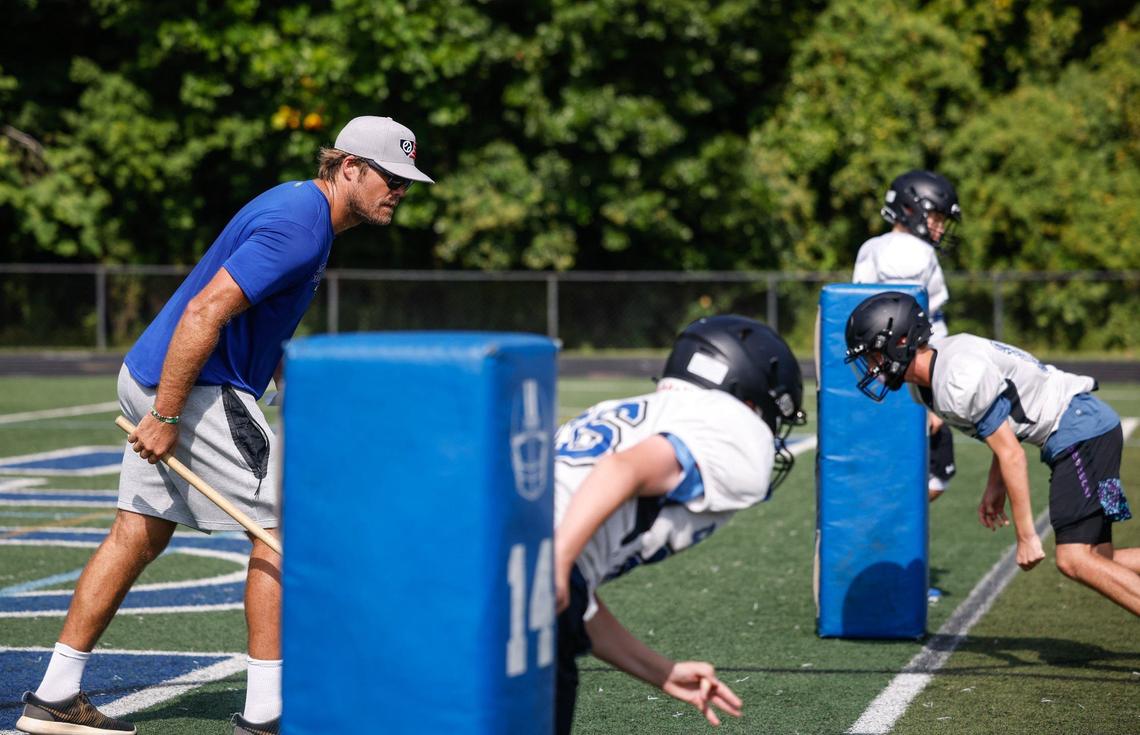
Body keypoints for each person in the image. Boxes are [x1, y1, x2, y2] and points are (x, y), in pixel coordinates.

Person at [16, 116, 434, 735]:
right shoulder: (300, 225)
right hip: (189, 388)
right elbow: (204, 311)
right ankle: (267, 716)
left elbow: (255, 325)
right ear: (348, 166)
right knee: (282, 526)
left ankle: (54, 698)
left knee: (138, 534)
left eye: (406, 181)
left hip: (160, 375)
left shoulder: (303, 211)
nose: (398, 190)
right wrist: (165, 415)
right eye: (389, 176)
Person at [553, 315, 806, 734]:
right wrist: (556, 562)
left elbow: (578, 600)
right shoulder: (735, 425)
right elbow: (623, 470)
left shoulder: (623, 412)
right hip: (530, 562)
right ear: (751, 396)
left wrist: (663, 672)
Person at [844, 291, 1139, 615]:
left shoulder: (957, 378)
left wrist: (1026, 536)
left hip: (1081, 432)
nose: (872, 366)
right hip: (1092, 427)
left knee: (1075, 559)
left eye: (873, 354)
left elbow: (1012, 454)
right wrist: (995, 486)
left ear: (899, 342)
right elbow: (1005, 425)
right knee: (1099, 560)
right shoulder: (930, 377)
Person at [852, 169, 962, 502]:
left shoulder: (872, 246)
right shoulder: (908, 251)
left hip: (879, 369)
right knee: (932, 477)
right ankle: (892, 531)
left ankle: (889, 526)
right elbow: (907, 329)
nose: (940, 227)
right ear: (913, 209)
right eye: (936, 217)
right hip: (908, 373)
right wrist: (930, 397)